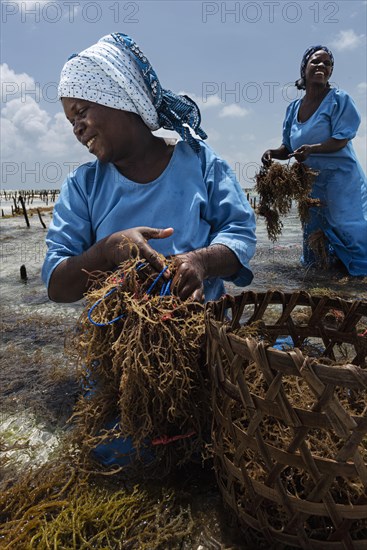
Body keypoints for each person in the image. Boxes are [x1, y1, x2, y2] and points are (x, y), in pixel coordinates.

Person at [42, 32, 256, 304]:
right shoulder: (82, 187)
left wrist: (200, 263)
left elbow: (240, 233)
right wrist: (107, 251)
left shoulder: (199, 162)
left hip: (203, 330)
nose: (77, 128)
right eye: (71, 121)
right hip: (120, 339)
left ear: (119, 96)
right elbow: (57, 283)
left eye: (81, 111)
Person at [261, 45, 367, 276]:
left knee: (347, 227)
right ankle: (322, 282)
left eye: (327, 63)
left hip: (341, 179)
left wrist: (313, 149)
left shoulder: (339, 100)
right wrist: (272, 153)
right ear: (304, 68)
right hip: (310, 184)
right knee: (314, 234)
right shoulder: (293, 108)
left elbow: (341, 139)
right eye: (316, 62)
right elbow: (288, 147)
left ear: (330, 71)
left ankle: (359, 284)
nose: (322, 66)